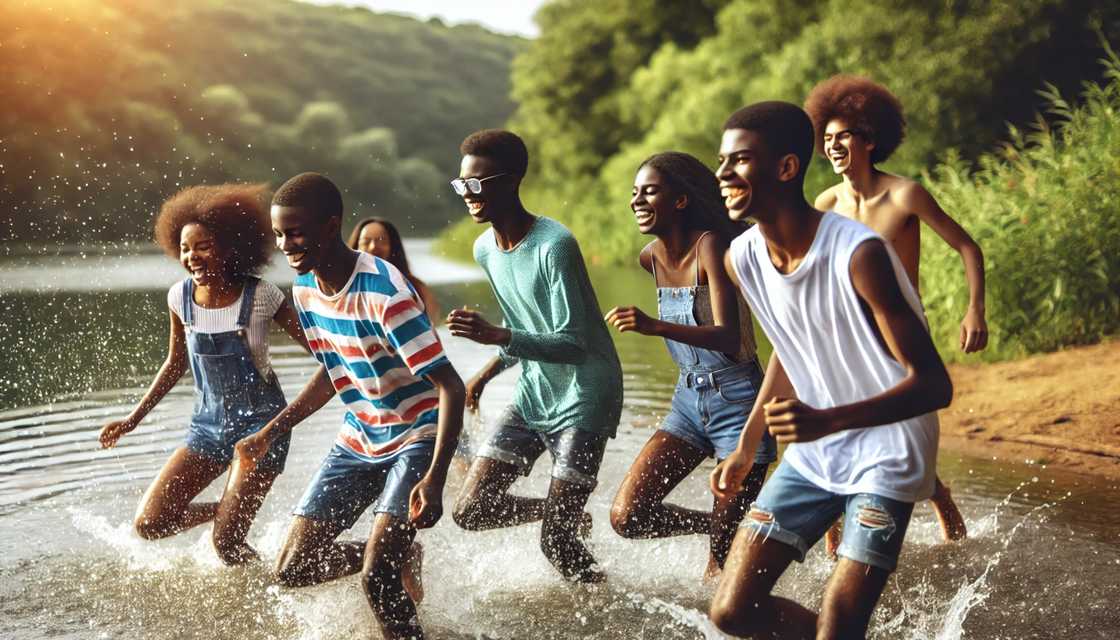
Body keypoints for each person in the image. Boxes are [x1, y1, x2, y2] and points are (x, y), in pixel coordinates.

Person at [707, 102, 953, 639]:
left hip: (890, 449)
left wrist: (827, 420)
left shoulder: (858, 253)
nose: (723, 174)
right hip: (819, 451)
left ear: (787, 168)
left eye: (740, 160)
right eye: (721, 161)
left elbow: (936, 385)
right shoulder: (742, 257)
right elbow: (789, 351)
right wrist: (748, 445)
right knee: (730, 611)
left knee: (840, 626)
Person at [234, 172, 465, 640]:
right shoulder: (304, 291)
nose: (286, 245)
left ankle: (390, 567)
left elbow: (451, 387)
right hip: (359, 435)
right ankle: (399, 553)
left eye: (295, 232)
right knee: (293, 567)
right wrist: (272, 430)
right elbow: (333, 372)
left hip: (417, 433)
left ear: (329, 226)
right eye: (279, 235)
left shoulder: (386, 294)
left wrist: (436, 477)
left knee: (377, 579)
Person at [806, 74, 981, 548]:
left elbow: (967, 247)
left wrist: (974, 311)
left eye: (844, 135)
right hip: (848, 334)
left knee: (906, 432)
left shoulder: (905, 195)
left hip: (901, 334)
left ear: (869, 139)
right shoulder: (826, 203)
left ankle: (938, 496)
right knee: (838, 431)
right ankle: (833, 544)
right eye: (827, 138)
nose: (834, 145)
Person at [446, 129, 623, 583]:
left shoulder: (554, 245)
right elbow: (523, 326)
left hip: (585, 394)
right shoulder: (484, 248)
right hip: (534, 392)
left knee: (555, 542)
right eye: (461, 184)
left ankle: (608, 611)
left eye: (477, 184)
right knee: (470, 509)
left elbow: (572, 341)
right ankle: (561, 511)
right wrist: (484, 376)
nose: (468, 194)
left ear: (510, 181)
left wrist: (496, 335)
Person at [98, 183, 307, 565]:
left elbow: (323, 352)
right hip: (206, 427)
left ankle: (264, 594)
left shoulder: (262, 295)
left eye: (203, 246)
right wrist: (132, 420)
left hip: (262, 429)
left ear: (231, 246)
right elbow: (175, 363)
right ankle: (227, 509)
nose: (191, 256)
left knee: (226, 545)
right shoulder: (179, 297)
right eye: (184, 248)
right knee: (151, 523)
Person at [604, 151, 776, 579]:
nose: (637, 201)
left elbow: (728, 336)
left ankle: (733, 535)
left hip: (738, 402)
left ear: (680, 200)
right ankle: (738, 529)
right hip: (687, 402)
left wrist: (653, 325)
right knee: (628, 517)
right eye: (634, 193)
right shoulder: (650, 258)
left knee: (719, 568)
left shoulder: (712, 247)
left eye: (649, 191)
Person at [348, 216, 442, 325]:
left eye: (381, 240)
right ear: (355, 247)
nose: (373, 247)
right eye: (366, 242)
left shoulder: (416, 288)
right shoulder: (344, 288)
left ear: (393, 247)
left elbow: (431, 329)